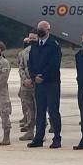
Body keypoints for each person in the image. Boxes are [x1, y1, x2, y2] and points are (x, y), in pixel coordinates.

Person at [27, 21, 62, 149]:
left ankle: (57, 138)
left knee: (53, 111)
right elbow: (30, 63)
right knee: (40, 112)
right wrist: (33, 76)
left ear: (48, 30)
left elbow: (54, 63)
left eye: (43, 29)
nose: (40, 31)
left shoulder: (54, 45)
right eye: (39, 29)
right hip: (39, 84)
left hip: (51, 83)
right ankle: (38, 137)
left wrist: (43, 76)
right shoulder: (35, 46)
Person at [18, 31, 37, 141]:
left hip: (37, 84)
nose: (31, 41)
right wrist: (25, 80)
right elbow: (20, 67)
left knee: (39, 109)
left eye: (34, 38)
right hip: (26, 85)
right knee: (29, 110)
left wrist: (33, 79)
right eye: (30, 38)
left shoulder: (42, 51)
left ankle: (40, 132)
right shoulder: (23, 53)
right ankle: (30, 132)